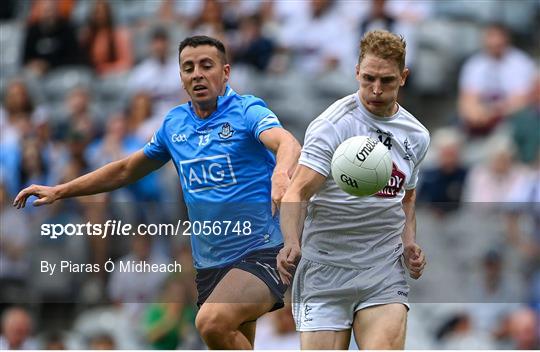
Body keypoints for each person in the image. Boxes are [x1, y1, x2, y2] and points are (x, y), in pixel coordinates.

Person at [14, 35, 301, 349]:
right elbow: (125, 169)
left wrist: (280, 172)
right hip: (211, 263)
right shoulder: (174, 125)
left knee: (210, 322)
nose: (197, 74)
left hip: (262, 250)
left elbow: (286, 142)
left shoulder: (247, 110)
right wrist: (61, 190)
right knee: (230, 337)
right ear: (181, 77)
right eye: (188, 68)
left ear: (226, 72)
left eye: (207, 65)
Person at [277, 30, 429, 349]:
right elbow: (298, 193)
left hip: (382, 268)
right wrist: (291, 240)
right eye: (368, 78)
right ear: (356, 72)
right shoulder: (333, 125)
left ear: (403, 77)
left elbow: (408, 196)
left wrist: (409, 243)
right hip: (325, 268)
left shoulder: (416, 135)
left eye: (386, 80)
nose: (375, 89)